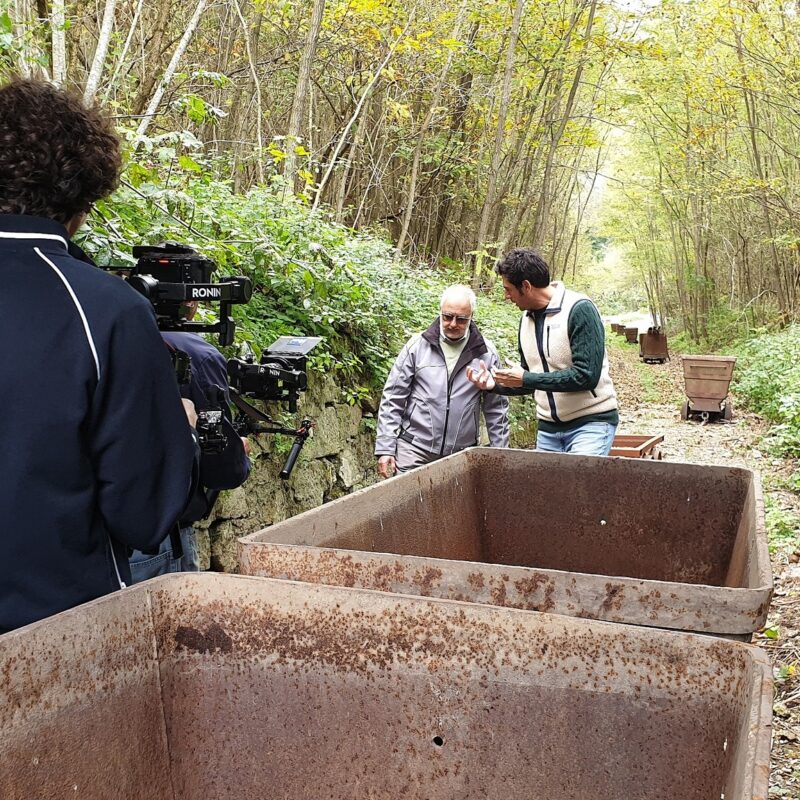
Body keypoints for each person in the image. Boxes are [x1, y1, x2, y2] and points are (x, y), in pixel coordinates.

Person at [0, 77, 198, 633]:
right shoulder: (104, 311)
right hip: (53, 633)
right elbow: (143, 513)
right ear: (81, 201)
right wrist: (178, 433)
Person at [129, 315, 252, 580]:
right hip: (157, 535)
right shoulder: (195, 353)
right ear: (193, 299)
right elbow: (223, 471)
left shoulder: (90, 334)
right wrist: (237, 452)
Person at [467, 248, 618, 455]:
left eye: (508, 289)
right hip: (548, 429)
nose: (506, 296)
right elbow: (530, 379)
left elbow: (586, 376)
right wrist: (494, 384)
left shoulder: (580, 309)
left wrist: (527, 378)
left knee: (577, 486)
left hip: (591, 423)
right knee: (545, 488)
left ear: (526, 286)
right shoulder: (525, 320)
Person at [375, 284, 509, 477]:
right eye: (447, 317)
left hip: (462, 453)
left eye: (461, 319)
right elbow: (393, 397)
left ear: (471, 317)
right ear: (440, 313)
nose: (453, 324)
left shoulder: (486, 354)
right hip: (414, 448)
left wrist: (501, 455)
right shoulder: (417, 347)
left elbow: (497, 409)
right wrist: (386, 447)